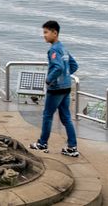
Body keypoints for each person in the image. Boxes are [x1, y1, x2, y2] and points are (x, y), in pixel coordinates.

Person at [30, 19, 79, 157]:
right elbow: (74, 65)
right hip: (66, 87)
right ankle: (72, 147)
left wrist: (49, 79)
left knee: (47, 115)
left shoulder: (53, 50)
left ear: (54, 33)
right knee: (66, 117)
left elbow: (58, 67)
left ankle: (42, 143)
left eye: (46, 32)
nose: (44, 35)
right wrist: (66, 76)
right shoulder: (63, 48)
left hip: (56, 88)